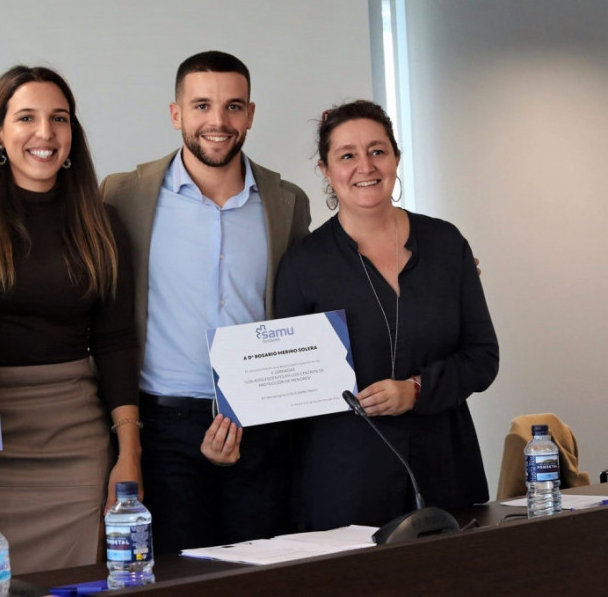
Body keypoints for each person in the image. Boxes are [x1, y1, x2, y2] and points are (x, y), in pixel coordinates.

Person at [0, 66, 141, 574]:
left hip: (76, 438)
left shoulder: (103, 223)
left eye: (59, 119)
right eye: (27, 117)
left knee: (78, 580)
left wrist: (128, 452)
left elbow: (116, 342)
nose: (45, 133)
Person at [100, 51, 310, 553]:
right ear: (176, 114)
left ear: (251, 114)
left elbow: (316, 290)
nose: (218, 121)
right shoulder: (122, 195)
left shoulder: (288, 202)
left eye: (233, 107)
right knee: (177, 575)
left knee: (264, 572)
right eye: (201, 106)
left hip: (261, 424)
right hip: (162, 427)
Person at [274, 100, 499, 530]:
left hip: (446, 470)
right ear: (325, 169)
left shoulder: (447, 244)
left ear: (396, 157)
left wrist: (416, 390)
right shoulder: (304, 265)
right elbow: (289, 388)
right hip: (344, 485)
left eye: (377, 151)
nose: (365, 166)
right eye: (347, 155)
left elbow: (483, 357)